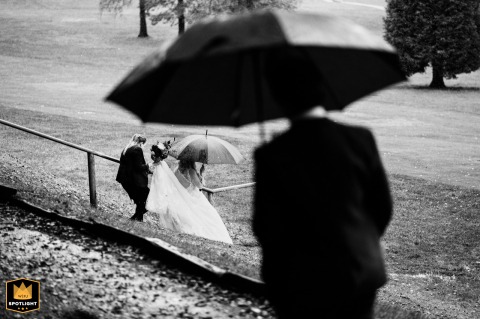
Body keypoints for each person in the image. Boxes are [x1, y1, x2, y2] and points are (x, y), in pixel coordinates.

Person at [252, 48, 393, 319]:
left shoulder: (271, 154)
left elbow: (266, 227)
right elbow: (381, 208)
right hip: (359, 270)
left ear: (278, 96)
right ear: (321, 87)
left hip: (298, 281)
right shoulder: (361, 138)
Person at [146, 143, 233, 244]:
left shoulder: (177, 169)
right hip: (192, 197)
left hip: (179, 197)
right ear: (192, 162)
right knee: (207, 215)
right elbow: (199, 186)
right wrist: (201, 174)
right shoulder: (191, 170)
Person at [116, 133, 151, 222]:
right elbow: (138, 167)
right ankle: (136, 217)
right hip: (132, 180)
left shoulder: (126, 148)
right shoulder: (137, 149)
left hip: (125, 179)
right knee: (147, 196)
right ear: (141, 143)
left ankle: (138, 218)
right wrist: (148, 166)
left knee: (140, 199)